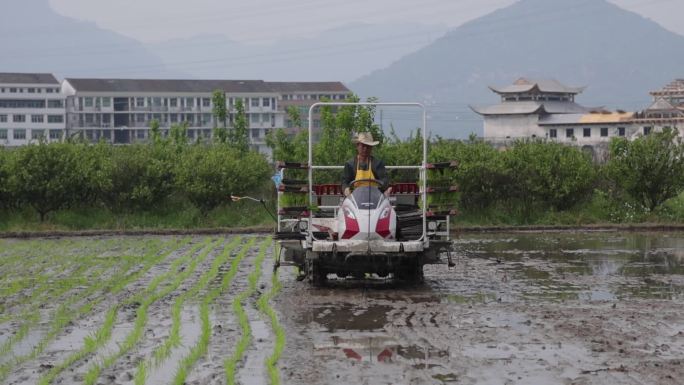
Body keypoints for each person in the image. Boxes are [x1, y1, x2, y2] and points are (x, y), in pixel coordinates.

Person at [341, 132, 391, 197]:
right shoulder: (350, 164)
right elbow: (345, 182)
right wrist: (346, 189)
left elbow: (384, 180)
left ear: (371, 148)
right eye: (363, 146)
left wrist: (382, 187)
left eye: (368, 146)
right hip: (354, 199)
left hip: (375, 198)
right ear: (357, 146)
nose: (365, 149)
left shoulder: (378, 164)